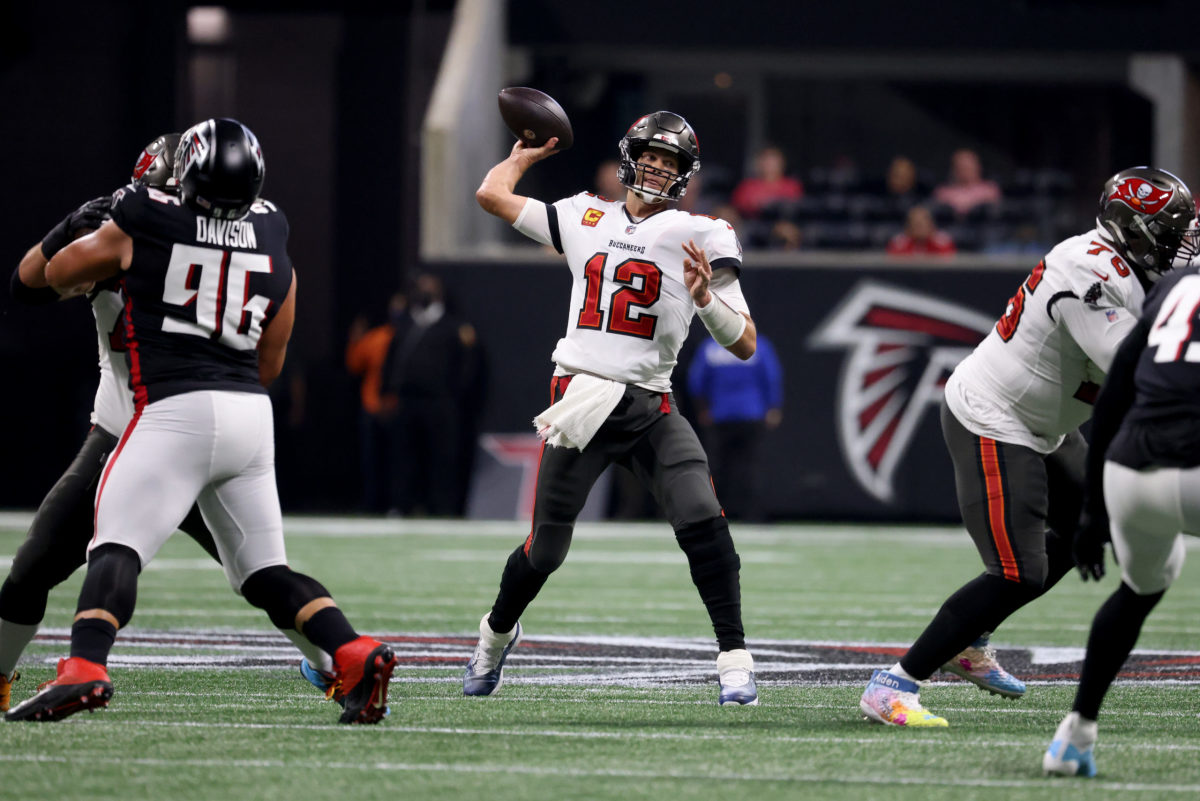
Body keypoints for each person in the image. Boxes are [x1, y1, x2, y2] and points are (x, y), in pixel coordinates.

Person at [6, 118, 397, 724]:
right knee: (264, 573)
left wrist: (72, 227)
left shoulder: (137, 225)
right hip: (237, 417)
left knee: (113, 547)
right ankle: (349, 653)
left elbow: (31, 281)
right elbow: (272, 355)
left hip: (159, 424)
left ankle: (84, 666)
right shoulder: (270, 232)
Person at [859, 167, 1198, 727]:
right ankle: (895, 682)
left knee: (1092, 524)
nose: (1183, 242)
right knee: (1018, 571)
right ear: (1133, 229)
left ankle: (970, 639)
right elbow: (1139, 374)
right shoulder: (1089, 273)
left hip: (1050, 425)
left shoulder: (1136, 267)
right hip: (995, 418)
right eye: (1172, 229)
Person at [465, 111, 760, 705]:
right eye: (650, 154)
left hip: (651, 403)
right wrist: (525, 154)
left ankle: (734, 657)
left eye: (670, 161)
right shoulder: (582, 214)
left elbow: (745, 343)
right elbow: (492, 195)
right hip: (582, 398)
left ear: (685, 175)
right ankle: (494, 635)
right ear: (629, 156)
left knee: (703, 516)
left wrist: (705, 299)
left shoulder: (704, 232)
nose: (657, 166)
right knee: (544, 551)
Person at [0, 134, 232, 714]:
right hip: (135, 430)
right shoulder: (130, 240)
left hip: (185, 432)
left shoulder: (223, 244)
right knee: (32, 569)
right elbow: (25, 285)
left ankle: (333, 660)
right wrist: (70, 228)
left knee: (260, 573)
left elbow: (28, 285)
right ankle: (339, 658)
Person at [1043, 230, 1200, 777]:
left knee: (1140, 589)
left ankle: (1076, 734)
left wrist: (1093, 510)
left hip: (1134, 471)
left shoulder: (1175, 285)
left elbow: (1114, 396)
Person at [381, 272, 481, 516]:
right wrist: (387, 392)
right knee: (404, 455)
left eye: (430, 287)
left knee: (442, 457)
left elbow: (468, 367)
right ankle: (403, 504)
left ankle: (442, 507)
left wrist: (455, 396)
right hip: (407, 401)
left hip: (440, 402)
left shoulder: (453, 327)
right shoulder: (405, 325)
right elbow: (391, 361)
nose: (423, 292)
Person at [686, 332, 783, 521]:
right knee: (750, 465)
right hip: (752, 413)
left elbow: (696, 382)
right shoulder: (758, 345)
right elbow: (771, 377)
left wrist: (703, 408)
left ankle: (715, 513)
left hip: (720, 414)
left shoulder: (710, 348)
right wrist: (773, 407)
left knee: (718, 466)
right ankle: (751, 514)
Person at [345, 293, 407, 513]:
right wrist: (355, 338)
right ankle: (372, 504)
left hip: (397, 407)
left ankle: (398, 505)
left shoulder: (410, 338)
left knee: (397, 462)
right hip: (372, 405)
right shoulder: (377, 337)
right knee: (372, 462)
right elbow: (354, 364)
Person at [730, 144, 803, 220]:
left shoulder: (792, 185)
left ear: (782, 163)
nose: (769, 164)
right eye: (766, 160)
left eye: (773, 160)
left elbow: (794, 207)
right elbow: (739, 208)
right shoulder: (747, 186)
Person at [933, 148, 1001, 217]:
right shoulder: (943, 192)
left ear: (978, 167)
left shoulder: (990, 189)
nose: (966, 171)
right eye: (962, 167)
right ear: (954, 169)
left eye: (969, 166)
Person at [885, 205, 956, 256]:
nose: (919, 229)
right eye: (916, 225)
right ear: (908, 227)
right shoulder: (899, 244)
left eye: (922, 225)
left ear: (931, 225)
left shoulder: (942, 243)